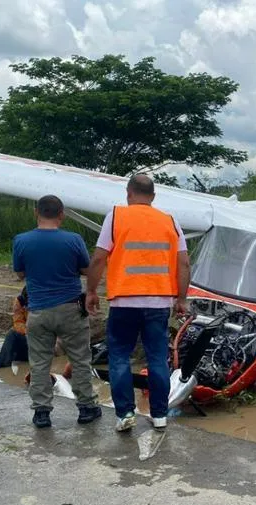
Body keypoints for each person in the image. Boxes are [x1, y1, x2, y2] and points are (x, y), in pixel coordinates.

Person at [86, 174, 190, 432]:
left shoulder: (116, 216)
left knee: (120, 356)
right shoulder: (170, 220)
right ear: (153, 197)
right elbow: (184, 262)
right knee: (156, 358)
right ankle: (160, 415)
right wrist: (182, 298)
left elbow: (99, 259)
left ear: (129, 194)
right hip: (158, 303)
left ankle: (124, 415)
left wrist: (90, 291)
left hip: (123, 301)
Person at [12, 194, 101, 428]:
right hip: (71, 308)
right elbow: (84, 268)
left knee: (39, 363)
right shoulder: (73, 239)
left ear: (36, 213)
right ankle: (86, 407)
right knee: (80, 359)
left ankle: (41, 412)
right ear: (61, 214)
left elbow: (20, 274)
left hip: (38, 311)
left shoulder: (21, 240)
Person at [0, 286, 29, 368]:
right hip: (29, 342)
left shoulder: (46, 305)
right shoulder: (20, 301)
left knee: (12, 334)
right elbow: (18, 323)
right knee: (4, 354)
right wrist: (27, 332)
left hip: (39, 348)